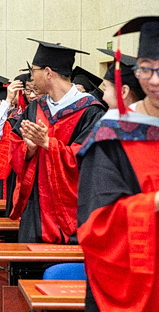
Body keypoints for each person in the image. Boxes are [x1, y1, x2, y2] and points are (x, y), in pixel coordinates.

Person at [78, 16, 159, 311]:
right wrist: (158, 201)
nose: (155, 80)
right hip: (141, 293)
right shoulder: (111, 136)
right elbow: (94, 226)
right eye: (145, 68)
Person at [9, 38, 105, 243]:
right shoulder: (35, 108)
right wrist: (29, 149)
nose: (31, 77)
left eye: (34, 70)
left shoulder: (90, 111)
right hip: (36, 208)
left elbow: (90, 161)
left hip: (72, 211)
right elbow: (14, 146)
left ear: (48, 72)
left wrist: (48, 144)